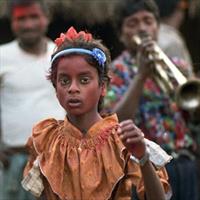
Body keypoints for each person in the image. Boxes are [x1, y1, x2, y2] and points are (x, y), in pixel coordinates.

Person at [21, 26, 172, 200]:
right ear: (56, 89)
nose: (73, 88)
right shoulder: (45, 140)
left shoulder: (122, 140)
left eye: (84, 80)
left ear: (103, 87)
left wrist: (143, 157)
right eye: (64, 80)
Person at [104, 0, 198, 199]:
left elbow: (192, 116)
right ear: (121, 34)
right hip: (143, 168)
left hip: (184, 163)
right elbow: (114, 120)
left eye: (148, 21)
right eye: (133, 23)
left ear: (158, 27)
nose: (142, 29)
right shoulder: (114, 72)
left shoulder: (177, 66)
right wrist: (141, 76)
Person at [0, 0, 65, 199]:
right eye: (21, 18)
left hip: (61, 159)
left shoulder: (61, 55)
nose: (28, 24)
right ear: (12, 22)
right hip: (16, 162)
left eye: (34, 16)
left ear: (47, 18)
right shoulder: (2, 56)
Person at [155, 0, 194, 76]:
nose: (182, 16)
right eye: (181, 10)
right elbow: (187, 77)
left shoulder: (151, 33)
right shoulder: (173, 40)